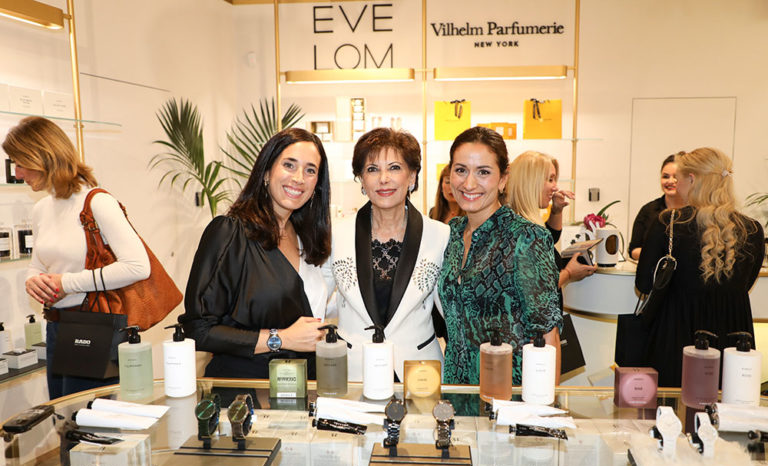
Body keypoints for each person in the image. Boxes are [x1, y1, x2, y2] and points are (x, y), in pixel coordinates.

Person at [2, 116, 151, 399]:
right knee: (62, 414)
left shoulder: (97, 202)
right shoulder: (42, 209)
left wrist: (66, 283)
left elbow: (138, 266)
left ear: (42, 157)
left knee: (87, 420)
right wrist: (33, 280)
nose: (18, 173)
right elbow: (38, 264)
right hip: (56, 325)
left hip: (93, 327)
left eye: (20, 163)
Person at [179, 128, 331, 379]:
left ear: (317, 184)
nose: (299, 178)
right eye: (289, 165)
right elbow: (199, 330)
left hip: (299, 385)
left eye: (310, 170)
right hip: (246, 388)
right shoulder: (230, 233)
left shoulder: (307, 237)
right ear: (267, 172)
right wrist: (281, 339)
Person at [438, 127, 563, 385]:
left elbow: (547, 335)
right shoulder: (450, 234)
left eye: (483, 172)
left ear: (503, 179)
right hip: (456, 389)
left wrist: (542, 402)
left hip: (509, 393)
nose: (469, 183)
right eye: (461, 170)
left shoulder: (526, 238)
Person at [326, 128, 449, 382]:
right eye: (372, 169)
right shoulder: (336, 233)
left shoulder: (440, 235)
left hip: (419, 371)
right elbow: (317, 301)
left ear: (412, 176)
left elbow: (450, 312)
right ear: (361, 179)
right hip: (353, 371)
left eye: (394, 168)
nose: (383, 179)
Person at [636, 147, 764, 387]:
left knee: (674, 404)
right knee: (729, 404)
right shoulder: (753, 230)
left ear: (692, 179)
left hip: (677, 336)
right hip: (732, 340)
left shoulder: (667, 222)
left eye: (679, 179)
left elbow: (644, 283)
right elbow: (745, 284)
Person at [507, 151, 596, 309]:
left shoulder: (520, 222)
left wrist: (556, 210)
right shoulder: (523, 230)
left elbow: (550, 237)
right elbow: (537, 290)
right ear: (531, 181)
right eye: (550, 179)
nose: (555, 187)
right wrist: (568, 273)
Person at [629, 153, 685, 260]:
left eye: (676, 177)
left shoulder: (696, 211)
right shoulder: (648, 210)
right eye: (665, 176)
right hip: (654, 269)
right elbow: (633, 250)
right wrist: (659, 255)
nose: (670, 181)